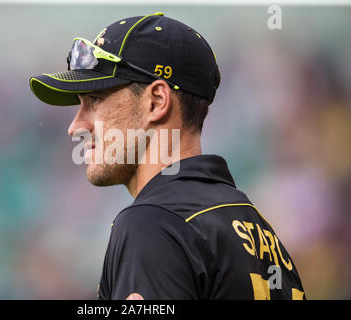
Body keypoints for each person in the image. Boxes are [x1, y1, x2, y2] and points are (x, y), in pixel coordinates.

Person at [29, 12, 305, 300]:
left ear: (157, 101)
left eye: (95, 100)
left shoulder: (151, 223)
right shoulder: (258, 227)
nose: (76, 127)